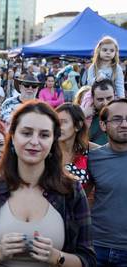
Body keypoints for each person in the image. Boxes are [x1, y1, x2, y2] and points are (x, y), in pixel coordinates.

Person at [0, 100, 95, 267]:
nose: (34, 141)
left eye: (44, 135)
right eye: (26, 133)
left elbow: (88, 259)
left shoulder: (70, 190)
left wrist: (56, 257)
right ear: (13, 136)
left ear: (53, 141)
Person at [87, 98, 127, 266]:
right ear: (103, 126)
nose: (124, 124)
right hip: (97, 247)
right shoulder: (93, 159)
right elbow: (83, 198)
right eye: (117, 119)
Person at [56, 103, 99, 188]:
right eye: (56, 122)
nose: (58, 127)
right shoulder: (47, 150)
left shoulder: (91, 150)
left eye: (64, 122)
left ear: (78, 126)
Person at [86, 79, 115, 145]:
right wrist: (82, 115)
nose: (105, 103)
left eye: (109, 98)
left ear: (114, 95)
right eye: (100, 99)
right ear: (92, 98)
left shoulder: (124, 114)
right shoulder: (86, 118)